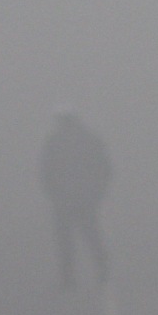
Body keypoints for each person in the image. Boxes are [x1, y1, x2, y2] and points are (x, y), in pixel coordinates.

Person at [40, 109, 112, 288]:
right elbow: (106, 168)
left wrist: (53, 193)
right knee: (91, 235)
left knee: (66, 239)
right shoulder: (91, 139)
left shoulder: (54, 142)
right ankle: (102, 270)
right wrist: (98, 193)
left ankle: (68, 277)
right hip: (86, 198)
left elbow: (45, 171)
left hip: (65, 198)